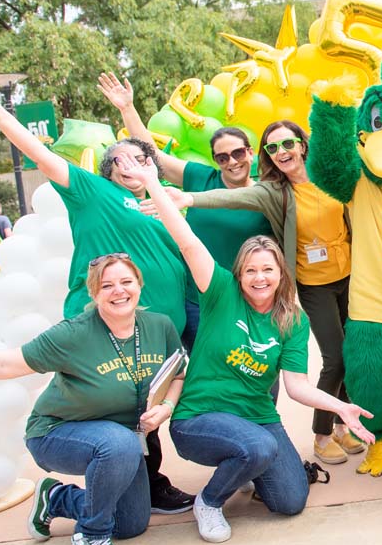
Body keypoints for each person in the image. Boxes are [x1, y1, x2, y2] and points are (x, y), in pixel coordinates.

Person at [123, 153, 375, 543]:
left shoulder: (292, 318)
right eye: (251, 270)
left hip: (256, 418)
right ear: (239, 274)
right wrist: (153, 184)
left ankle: (241, 461)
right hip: (200, 418)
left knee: (291, 499)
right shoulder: (220, 291)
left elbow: (296, 386)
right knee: (256, 447)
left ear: (280, 275)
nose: (260, 278)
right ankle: (209, 501)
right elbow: (187, 242)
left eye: (268, 270)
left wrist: (339, 406)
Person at [0, 90, 195, 511]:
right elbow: (40, 152)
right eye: (122, 160)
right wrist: (1, 114)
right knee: (110, 404)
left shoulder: (165, 202)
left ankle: (143, 481)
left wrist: (131, 113)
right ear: (109, 170)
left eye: (141, 159)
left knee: (145, 408)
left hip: (157, 330)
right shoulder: (93, 192)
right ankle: (86, 480)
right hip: (106, 324)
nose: (133, 165)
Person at [0, 253, 185, 545]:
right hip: (56, 433)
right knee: (119, 445)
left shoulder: (159, 326)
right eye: (107, 285)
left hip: (123, 440)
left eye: (125, 282)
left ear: (139, 285)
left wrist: (166, 407)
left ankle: (57, 497)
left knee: (131, 522)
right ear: (93, 293)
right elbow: (5, 363)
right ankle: (93, 537)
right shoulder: (72, 334)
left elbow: (177, 373)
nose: (118, 291)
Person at [164, 121, 360, 466]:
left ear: (302, 144)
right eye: (273, 148)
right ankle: (322, 433)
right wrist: (190, 198)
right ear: (266, 156)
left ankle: (344, 424)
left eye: (287, 144)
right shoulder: (274, 191)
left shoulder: (329, 178)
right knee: (336, 358)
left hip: (349, 276)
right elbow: (233, 196)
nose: (281, 152)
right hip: (315, 284)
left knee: (353, 351)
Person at [98, 73, 271, 351]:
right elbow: (153, 154)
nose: (232, 162)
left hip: (250, 299)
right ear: (215, 159)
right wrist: (127, 108)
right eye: (222, 157)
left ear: (250, 153)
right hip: (198, 301)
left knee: (253, 370)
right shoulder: (200, 177)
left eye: (238, 153)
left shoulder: (267, 193)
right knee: (203, 373)